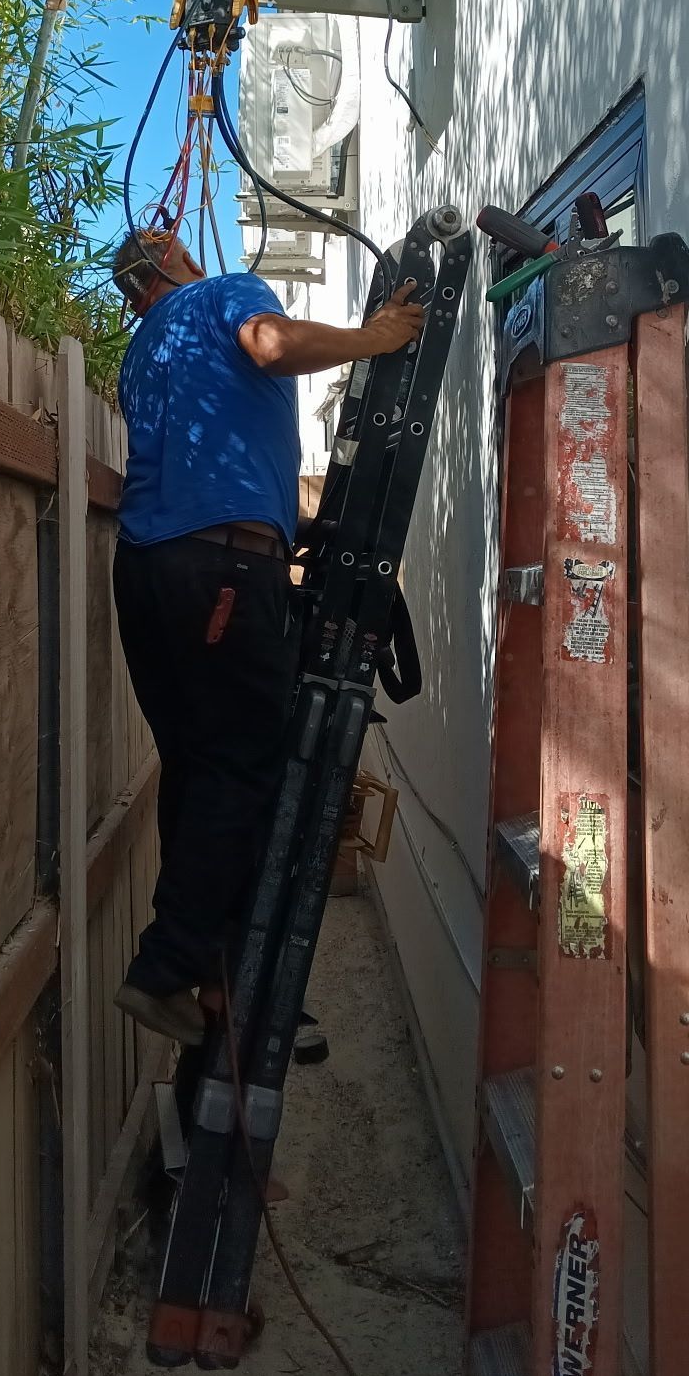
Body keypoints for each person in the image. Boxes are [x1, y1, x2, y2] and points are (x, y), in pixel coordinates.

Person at [109, 225, 424, 1047]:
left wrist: (293, 525)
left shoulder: (142, 353)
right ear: (171, 258)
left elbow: (202, 469)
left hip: (147, 573)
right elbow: (271, 344)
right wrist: (375, 338)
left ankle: (213, 971)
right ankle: (166, 967)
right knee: (246, 765)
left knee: (198, 766)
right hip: (221, 572)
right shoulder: (222, 294)